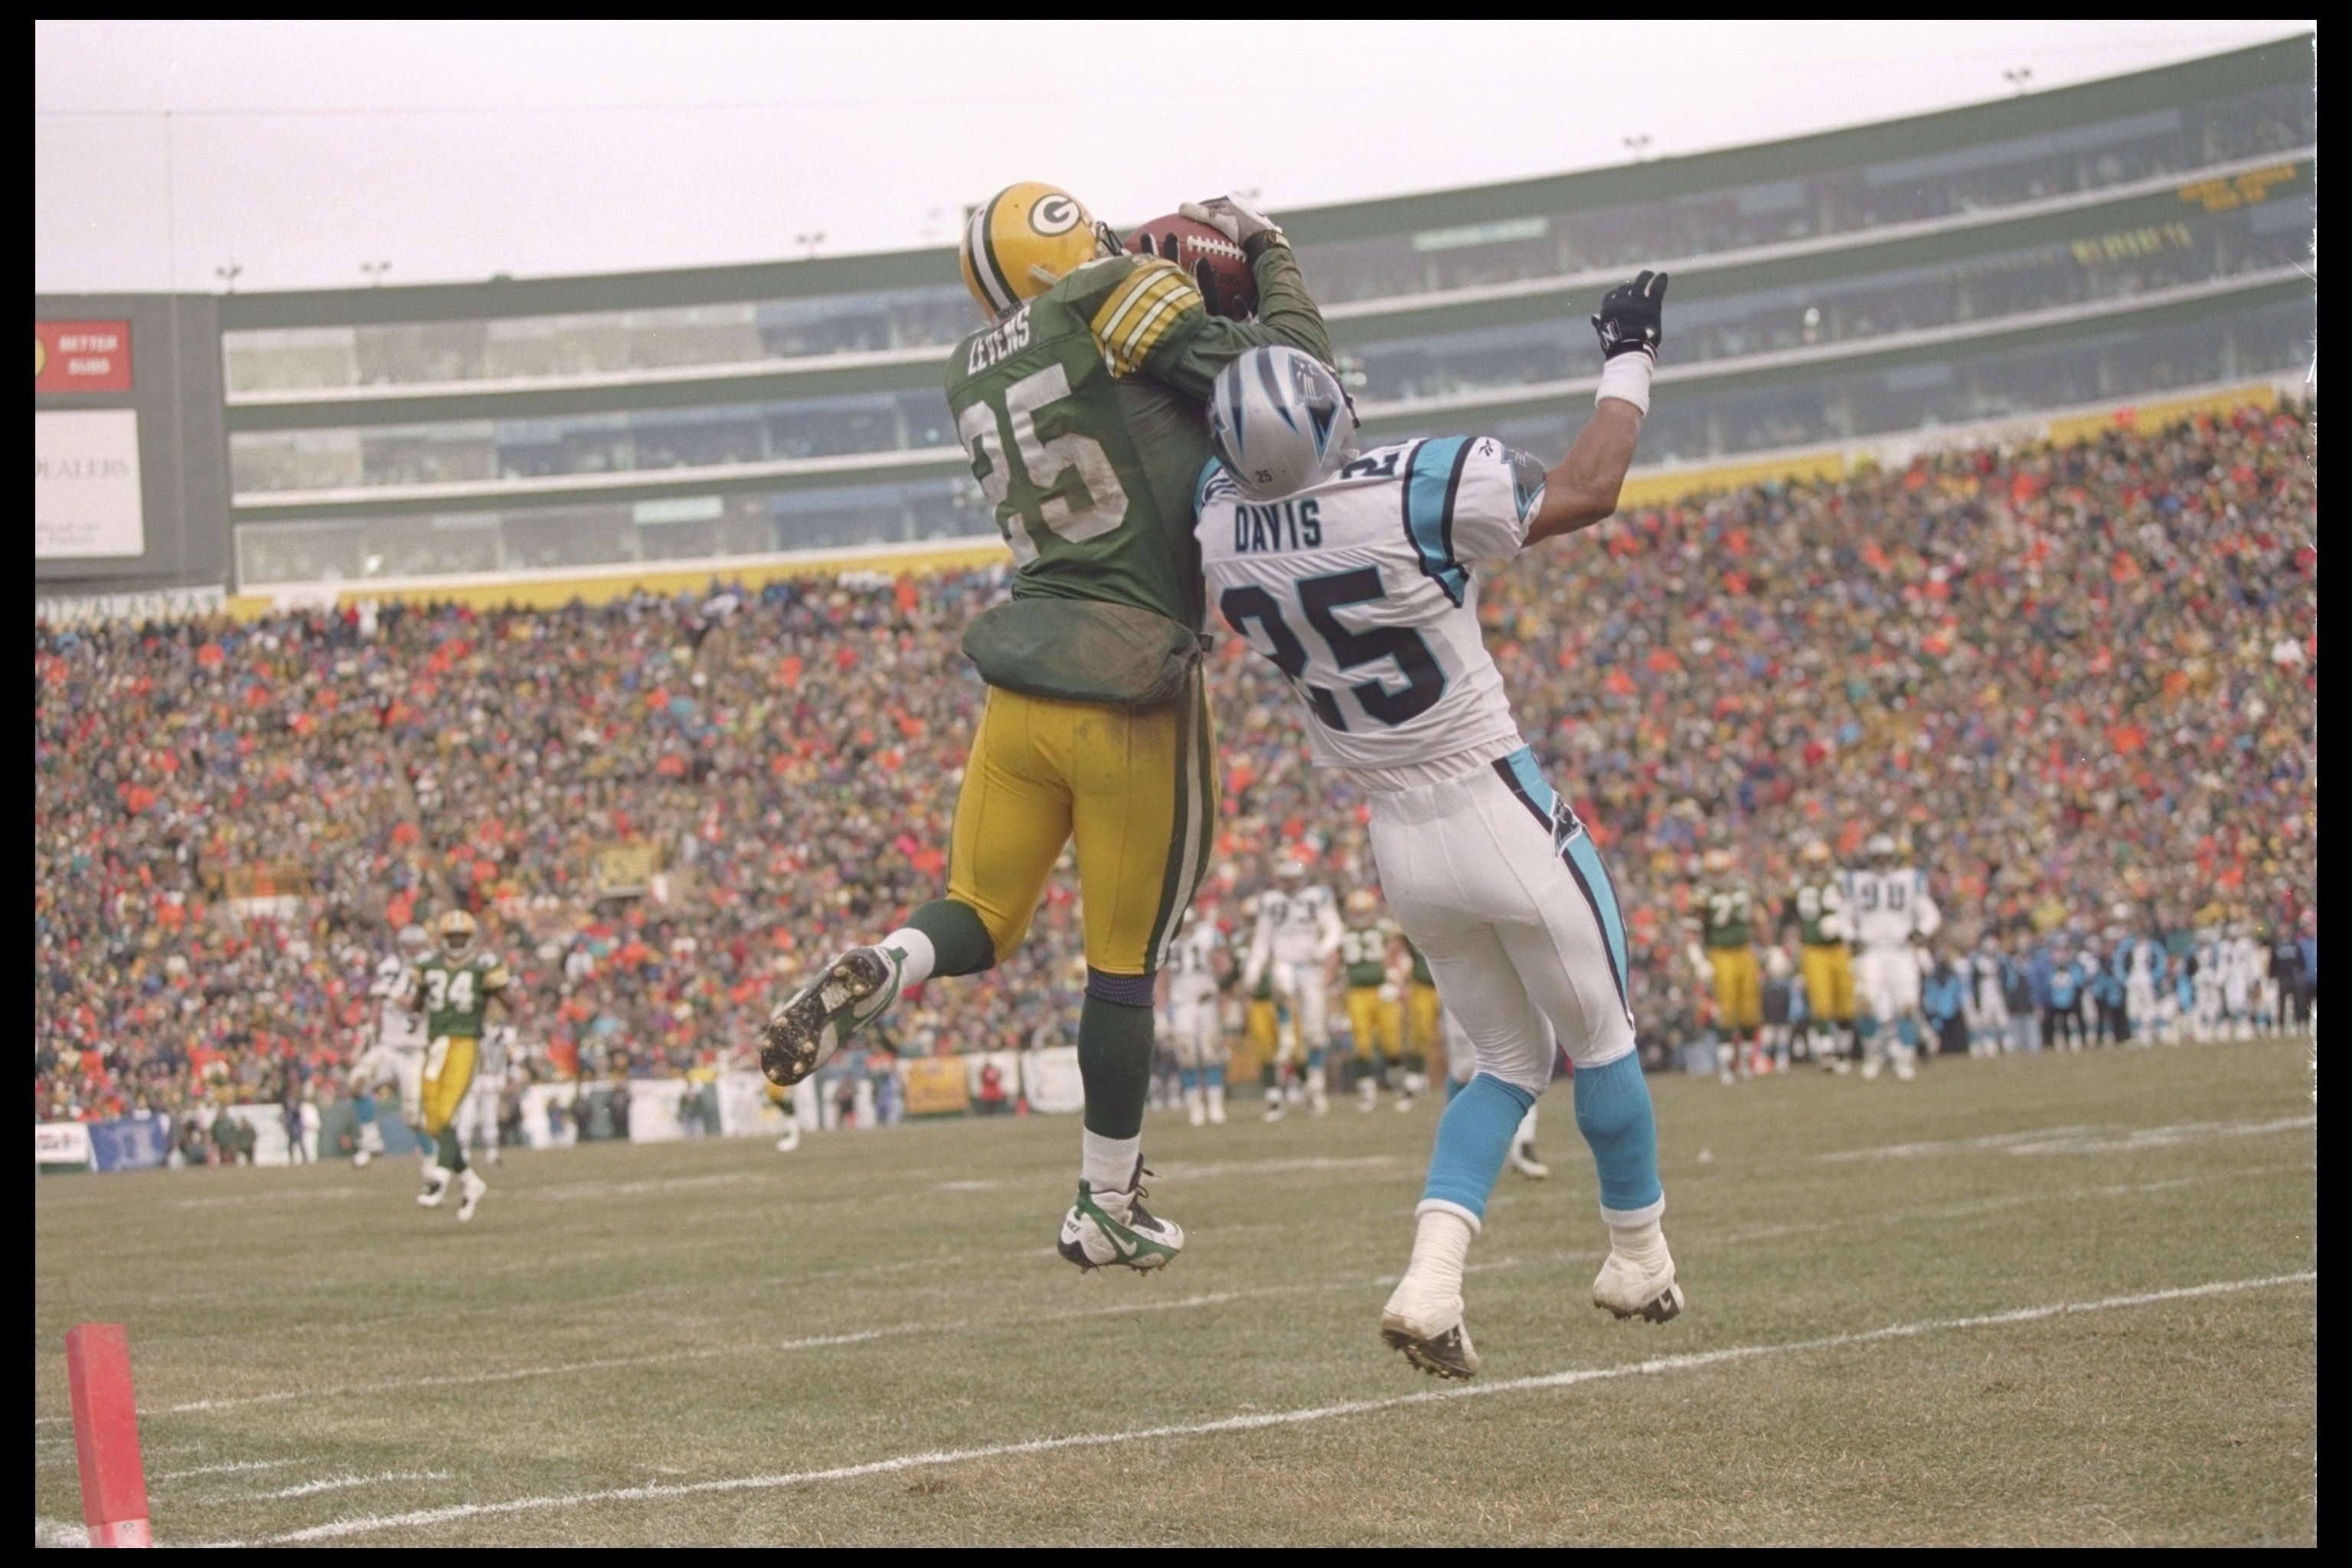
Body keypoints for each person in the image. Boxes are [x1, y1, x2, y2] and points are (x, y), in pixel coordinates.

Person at [761, 183, 1334, 1276]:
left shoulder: (971, 367)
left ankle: (891, 961)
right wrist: (1267, 257)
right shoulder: (1116, 295)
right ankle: (1105, 1204)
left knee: (976, 910)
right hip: (1133, 687)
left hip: (1022, 682)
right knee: (1122, 964)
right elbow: (1289, 389)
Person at [1194, 268, 1681, 1380]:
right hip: (1493, 796)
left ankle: (1431, 1283)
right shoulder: (1422, 485)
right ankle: (1636, 1255)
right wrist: (1630, 357)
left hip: (1399, 837)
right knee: (1598, 1040)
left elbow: (1233, 462)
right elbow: (1591, 488)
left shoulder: (1218, 530)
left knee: (1505, 1062)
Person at [405, 910, 510, 1221]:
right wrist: (412, 1013)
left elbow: (507, 999)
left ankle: (438, 1180)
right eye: (451, 937)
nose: (456, 942)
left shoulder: (483, 966)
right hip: (437, 1044)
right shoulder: (428, 965)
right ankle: (469, 1181)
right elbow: (419, 998)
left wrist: (504, 1021)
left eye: (461, 937)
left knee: (448, 1112)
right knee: (433, 1121)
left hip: (465, 1043)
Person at [1248, 856, 1343, 1119]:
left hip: (1310, 967)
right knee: (1283, 990)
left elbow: (1335, 929)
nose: (1290, 885)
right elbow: (1261, 939)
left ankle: (1316, 1087)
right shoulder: (1271, 902)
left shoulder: (1317, 897)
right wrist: (1253, 970)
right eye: (1286, 880)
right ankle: (1288, 1033)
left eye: (1294, 879)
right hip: (1284, 965)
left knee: (1316, 1033)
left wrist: (1322, 952)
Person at [1845, 834, 1942, 1080]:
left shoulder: (1910, 880)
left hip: (1901, 950)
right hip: (1871, 950)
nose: (1881, 862)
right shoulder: (1857, 881)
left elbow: (1930, 914)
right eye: (1877, 858)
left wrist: (1921, 933)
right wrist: (1851, 936)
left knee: (1907, 1005)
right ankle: (1873, 1055)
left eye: (1886, 857)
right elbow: (1844, 916)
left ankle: (1905, 1057)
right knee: (1866, 1004)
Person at [354, 923, 433, 1174]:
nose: (412, 951)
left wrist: (397, 997)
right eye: (408, 946)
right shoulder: (390, 967)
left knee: (413, 1115)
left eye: (416, 946)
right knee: (356, 1082)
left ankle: (432, 1161)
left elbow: (413, 1005)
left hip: (414, 1051)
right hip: (389, 1047)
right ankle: (371, 1139)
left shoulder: (432, 971)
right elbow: (379, 998)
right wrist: (370, 1028)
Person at [1690, 849, 1760, 1082]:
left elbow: (1758, 918)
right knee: (1726, 1008)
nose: (1720, 875)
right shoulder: (1702, 893)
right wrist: (1698, 958)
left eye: (1722, 870)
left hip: (1745, 950)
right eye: (1715, 872)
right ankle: (1728, 1065)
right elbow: (1691, 929)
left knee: (1750, 1007)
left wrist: (1772, 948)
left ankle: (1748, 1061)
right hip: (1720, 953)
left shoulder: (1743, 888)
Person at [1784, 841, 1854, 1071]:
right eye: (1811, 863)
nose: (1815, 867)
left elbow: (1856, 909)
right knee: (1821, 1001)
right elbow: (1787, 919)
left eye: (1819, 863)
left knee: (1846, 1002)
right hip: (1812, 948)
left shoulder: (1841, 882)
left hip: (1838, 947)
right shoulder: (1797, 886)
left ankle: (1844, 1050)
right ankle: (1826, 1050)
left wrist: (1842, 923)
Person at [1338, 889, 1410, 1112]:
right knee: (1362, 1043)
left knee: (1391, 1041)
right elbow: (1334, 961)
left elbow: (1401, 956)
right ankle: (1367, 1093)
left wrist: (1397, 980)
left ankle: (1400, 1087)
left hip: (1382, 990)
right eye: (1356, 911)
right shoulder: (1342, 933)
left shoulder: (1386, 930)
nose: (1360, 915)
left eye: (1364, 911)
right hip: (1356, 992)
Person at [1163, 900, 1229, 1126]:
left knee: (1211, 1053)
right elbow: (1162, 977)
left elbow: (1225, 967)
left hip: (1205, 1002)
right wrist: (1161, 1009)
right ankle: (1195, 1107)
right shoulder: (1168, 943)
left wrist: (1215, 955)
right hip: (1181, 1005)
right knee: (1186, 1056)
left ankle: (1215, 1104)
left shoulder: (1207, 937)